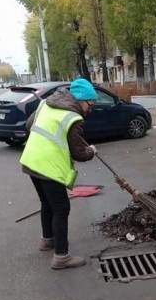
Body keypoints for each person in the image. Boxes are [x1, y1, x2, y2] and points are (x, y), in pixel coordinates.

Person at [19, 78, 98, 270]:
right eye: (90, 105)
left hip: (31, 161)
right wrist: (92, 151)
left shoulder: (46, 104)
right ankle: (61, 257)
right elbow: (80, 153)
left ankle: (47, 240)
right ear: (82, 100)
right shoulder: (73, 118)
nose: (90, 110)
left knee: (47, 203)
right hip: (48, 167)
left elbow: (29, 125)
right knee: (61, 208)